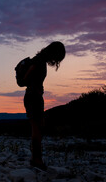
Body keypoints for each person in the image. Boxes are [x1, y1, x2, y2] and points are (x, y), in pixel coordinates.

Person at [22, 41, 66, 171]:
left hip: (34, 97)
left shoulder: (40, 60)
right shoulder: (39, 60)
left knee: (38, 128)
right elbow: (27, 77)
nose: (57, 60)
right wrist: (36, 88)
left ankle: (36, 159)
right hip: (33, 97)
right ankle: (36, 160)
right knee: (36, 129)